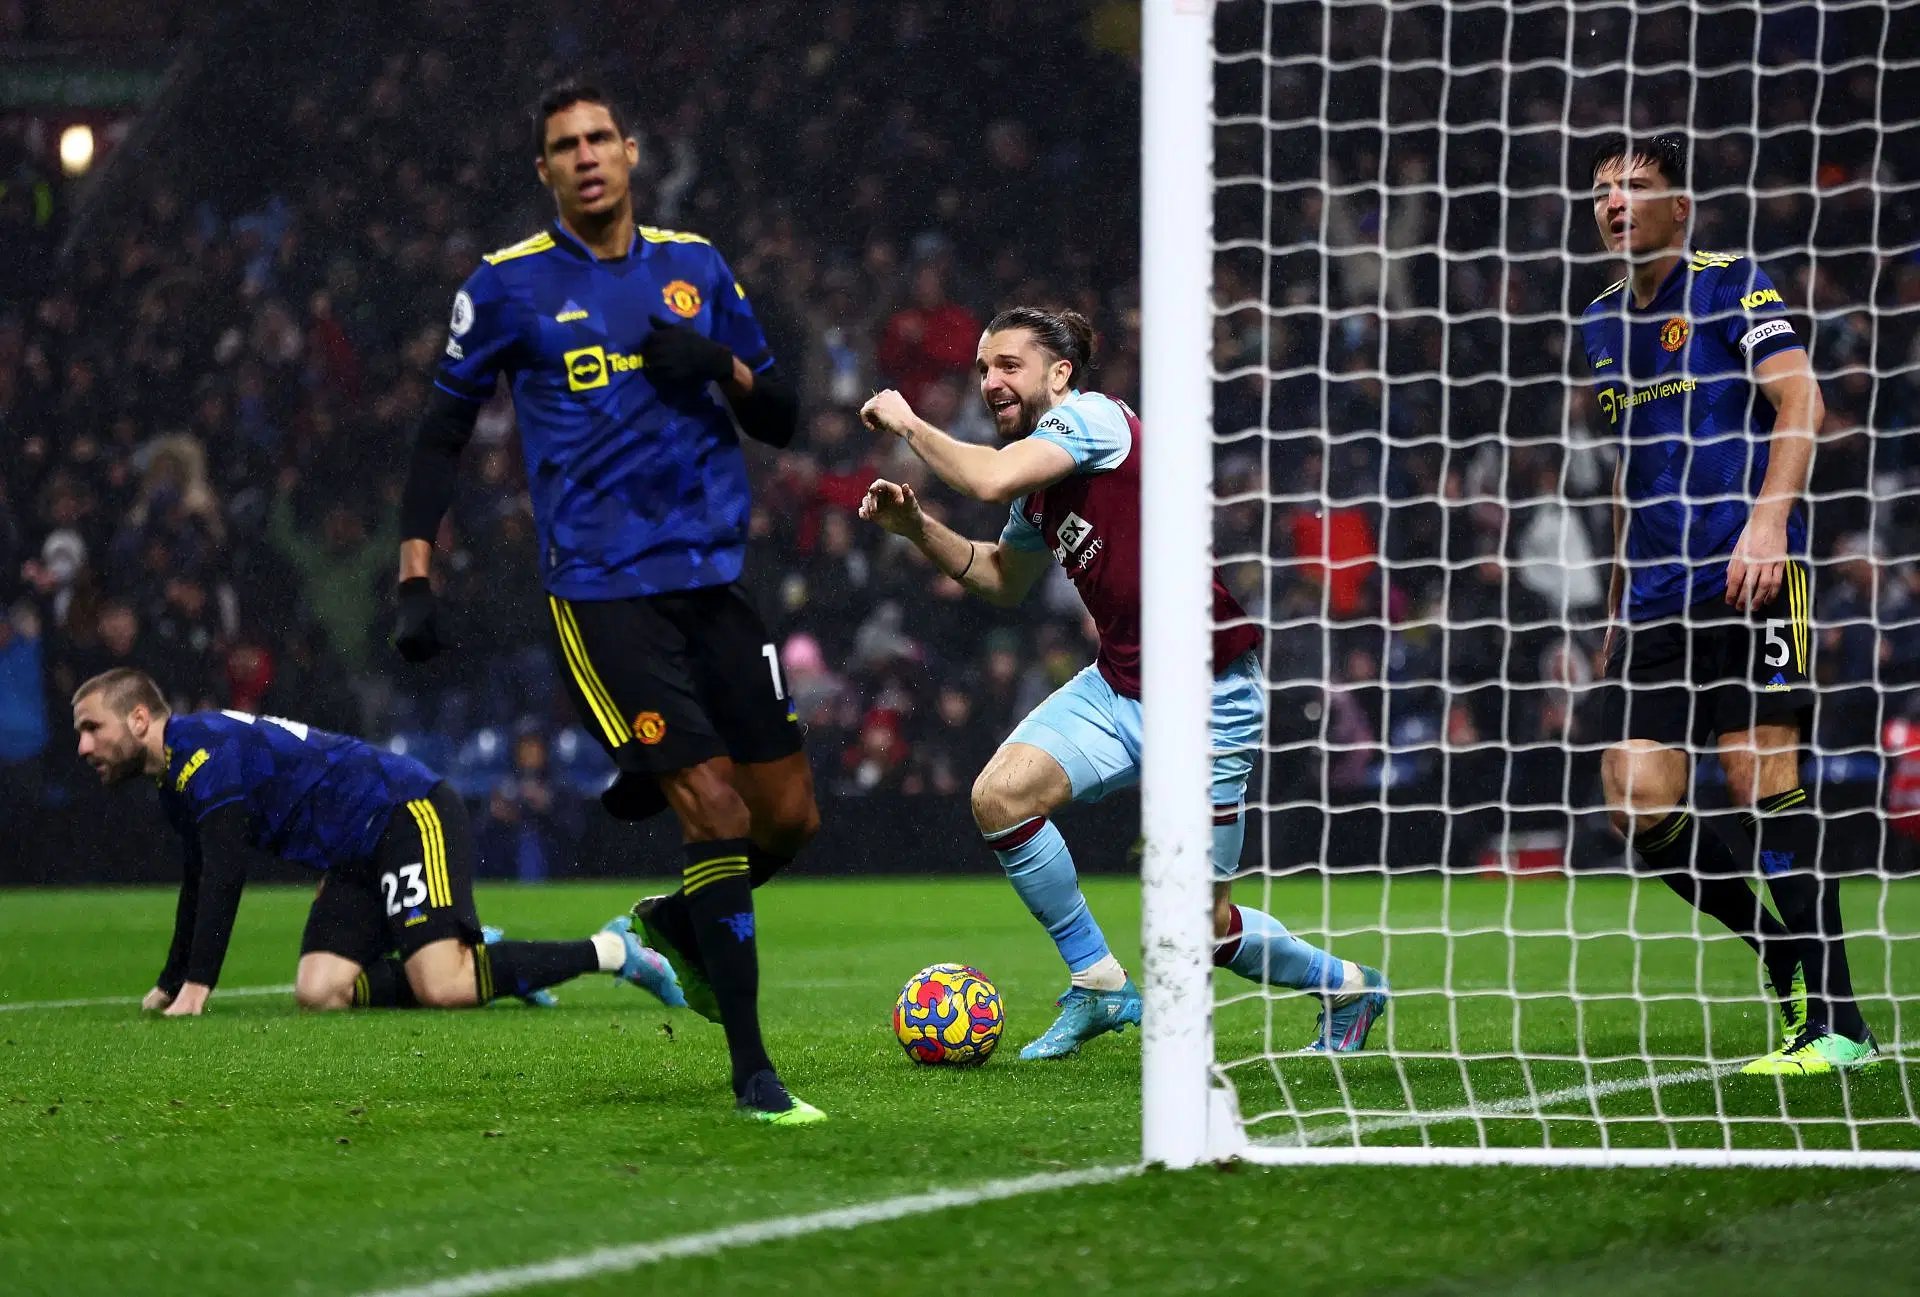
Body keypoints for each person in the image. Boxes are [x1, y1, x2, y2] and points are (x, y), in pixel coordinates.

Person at [391, 81, 822, 1124]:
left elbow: (785, 416)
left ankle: (680, 921)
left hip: (713, 579)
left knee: (791, 819)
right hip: (602, 590)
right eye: (562, 146)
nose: (585, 157)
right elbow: (441, 436)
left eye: (599, 139)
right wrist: (414, 574)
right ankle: (755, 1072)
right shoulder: (504, 289)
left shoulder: (695, 265)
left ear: (632, 153)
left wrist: (716, 363)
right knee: (714, 807)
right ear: (543, 171)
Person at [857, 305, 1387, 1059]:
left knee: (1200, 929)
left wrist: (910, 421)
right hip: (1124, 686)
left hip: (1210, 697)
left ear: (1060, 374)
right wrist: (915, 531)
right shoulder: (1035, 486)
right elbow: (1003, 578)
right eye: (982, 369)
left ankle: (1347, 986)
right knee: (999, 796)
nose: (991, 381)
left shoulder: (1093, 422)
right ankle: (1101, 984)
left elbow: (989, 474)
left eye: (1008, 364)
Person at [1580, 132, 1875, 1074]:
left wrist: (1766, 523)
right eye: (1601, 192)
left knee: (1761, 777)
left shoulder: (1734, 283)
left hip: (1753, 575)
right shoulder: (1600, 322)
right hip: (1659, 595)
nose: (1616, 203)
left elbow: (1801, 401)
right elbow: (1639, 469)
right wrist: (1622, 593)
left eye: (1637, 187)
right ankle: (1783, 951)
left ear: (1681, 206)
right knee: (1635, 794)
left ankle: (1838, 1025)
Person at [69, 667, 682, 1016]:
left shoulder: (204, 756)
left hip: (405, 813)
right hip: (353, 853)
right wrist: (171, 980)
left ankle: (613, 950)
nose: (84, 747)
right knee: (320, 992)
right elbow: (199, 878)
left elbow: (227, 874)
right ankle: (482, 957)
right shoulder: (178, 775)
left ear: (140, 719)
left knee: (442, 989)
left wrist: (197, 987)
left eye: (93, 728)